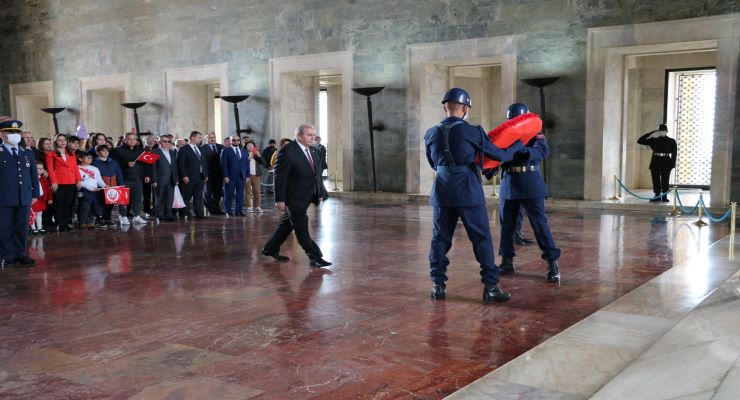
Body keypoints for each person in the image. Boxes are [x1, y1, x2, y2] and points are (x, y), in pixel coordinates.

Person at [425, 88, 523, 304]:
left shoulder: (430, 133)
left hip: (442, 192)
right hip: (468, 192)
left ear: (445, 107)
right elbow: (499, 155)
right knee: (481, 239)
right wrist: (517, 145)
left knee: (440, 239)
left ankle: (437, 286)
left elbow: (433, 163)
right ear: (465, 108)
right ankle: (490, 288)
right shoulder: (473, 131)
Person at [498, 102, 561, 283]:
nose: (513, 123)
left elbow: (541, 151)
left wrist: (518, 149)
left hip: (530, 183)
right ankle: (506, 261)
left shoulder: (535, 133)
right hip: (510, 182)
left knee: (540, 225)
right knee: (507, 226)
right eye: (511, 120)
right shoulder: (505, 135)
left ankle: (552, 263)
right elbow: (498, 153)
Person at [261, 124, 330, 268]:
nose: (313, 137)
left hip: (307, 195)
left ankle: (270, 248)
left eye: (314, 134)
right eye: (309, 135)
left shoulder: (313, 150)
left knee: (287, 224)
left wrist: (320, 193)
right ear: (299, 136)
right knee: (301, 227)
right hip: (293, 197)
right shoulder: (287, 151)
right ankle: (315, 257)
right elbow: (280, 177)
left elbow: (316, 174)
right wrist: (279, 199)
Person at [0, 119, 40, 268]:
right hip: (3, 198)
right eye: (10, 132)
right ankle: (6, 256)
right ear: (2, 134)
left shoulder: (27, 153)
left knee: (21, 228)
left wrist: (35, 194)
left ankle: (20, 254)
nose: (15, 135)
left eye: (17, 132)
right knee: (4, 229)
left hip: (24, 197)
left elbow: (33, 175)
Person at [110, 132, 151, 224]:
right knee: (123, 199)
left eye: (134, 139)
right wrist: (125, 164)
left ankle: (137, 215)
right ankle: (123, 216)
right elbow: (113, 165)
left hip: (138, 178)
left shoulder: (141, 150)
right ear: (125, 140)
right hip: (123, 178)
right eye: (129, 139)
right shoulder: (117, 150)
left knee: (138, 199)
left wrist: (147, 175)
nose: (132, 141)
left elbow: (146, 164)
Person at [46, 134, 82, 232]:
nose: (62, 142)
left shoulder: (71, 154)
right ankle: (59, 223)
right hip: (59, 182)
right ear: (55, 142)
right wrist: (54, 181)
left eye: (64, 140)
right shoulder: (51, 154)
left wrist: (78, 180)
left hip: (71, 181)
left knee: (68, 204)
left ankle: (66, 223)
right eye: (60, 140)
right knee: (59, 203)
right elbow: (50, 169)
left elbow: (75, 168)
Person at [637, 123, 677, 202]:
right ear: (658, 131)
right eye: (660, 131)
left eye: (664, 130)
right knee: (655, 180)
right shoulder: (653, 140)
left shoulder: (671, 141)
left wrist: (672, 165)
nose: (662, 132)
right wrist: (651, 133)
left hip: (666, 161)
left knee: (665, 180)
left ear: (667, 131)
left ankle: (664, 196)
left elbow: (674, 154)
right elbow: (640, 141)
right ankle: (657, 196)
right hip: (655, 161)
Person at [92, 144, 125, 226]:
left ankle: (108, 219)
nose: (106, 152)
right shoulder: (94, 163)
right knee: (100, 204)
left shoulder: (113, 162)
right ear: (98, 152)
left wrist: (121, 185)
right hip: (100, 187)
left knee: (110, 204)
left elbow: (119, 174)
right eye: (103, 151)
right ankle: (99, 220)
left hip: (113, 186)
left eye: (107, 150)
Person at [177, 131, 208, 219]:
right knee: (186, 197)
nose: (201, 139)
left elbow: (204, 163)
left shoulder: (200, 148)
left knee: (198, 197)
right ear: (192, 138)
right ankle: (185, 214)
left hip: (200, 177)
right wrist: (184, 176)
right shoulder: (184, 149)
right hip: (188, 177)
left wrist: (206, 174)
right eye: (199, 137)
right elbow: (181, 164)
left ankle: (199, 214)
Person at [151, 134, 179, 222]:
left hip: (171, 179)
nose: (167, 143)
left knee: (170, 198)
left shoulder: (172, 152)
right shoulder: (154, 152)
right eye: (165, 141)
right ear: (159, 142)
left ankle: (168, 214)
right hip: (159, 180)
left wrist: (176, 179)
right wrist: (154, 180)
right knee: (160, 198)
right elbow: (152, 168)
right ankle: (160, 215)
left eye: (169, 141)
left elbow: (175, 167)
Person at [76, 152, 107, 229]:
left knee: (93, 206)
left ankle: (90, 222)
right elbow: (79, 181)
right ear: (80, 159)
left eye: (91, 158)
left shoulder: (95, 168)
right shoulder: (77, 168)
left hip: (95, 190)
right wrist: (89, 188)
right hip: (84, 190)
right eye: (87, 157)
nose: (90, 159)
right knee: (85, 206)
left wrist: (104, 185)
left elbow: (99, 180)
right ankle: (82, 222)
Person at [221, 135, 249, 216]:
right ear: (230, 141)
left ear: (240, 141)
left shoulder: (244, 151)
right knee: (229, 195)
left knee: (240, 195)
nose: (236, 141)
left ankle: (238, 211)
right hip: (230, 177)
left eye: (238, 140)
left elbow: (247, 164)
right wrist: (225, 176)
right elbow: (224, 165)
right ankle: (228, 211)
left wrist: (247, 175)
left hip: (241, 176)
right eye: (233, 140)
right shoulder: (226, 151)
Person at [202, 131, 224, 215]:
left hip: (219, 175)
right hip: (208, 175)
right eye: (210, 137)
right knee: (207, 193)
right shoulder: (203, 148)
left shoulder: (221, 147)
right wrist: (204, 175)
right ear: (206, 138)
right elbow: (202, 163)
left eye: (213, 137)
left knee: (217, 193)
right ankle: (212, 209)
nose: (212, 139)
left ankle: (216, 209)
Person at [31, 160, 52, 235]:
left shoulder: (44, 179)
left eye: (42, 168)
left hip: (42, 199)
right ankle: (33, 228)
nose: (40, 170)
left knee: (39, 214)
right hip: (34, 199)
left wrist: (50, 198)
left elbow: (48, 189)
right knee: (33, 214)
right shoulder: (31, 179)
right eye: (38, 168)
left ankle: (39, 227)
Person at [244, 140, 265, 212]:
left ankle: (258, 206)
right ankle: (249, 207)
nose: (250, 147)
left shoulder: (257, 153)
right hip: (247, 175)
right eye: (248, 145)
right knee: (248, 191)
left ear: (254, 147)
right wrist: (249, 158)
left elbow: (264, 162)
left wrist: (259, 155)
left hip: (256, 174)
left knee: (257, 191)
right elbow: (242, 163)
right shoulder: (243, 153)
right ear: (246, 147)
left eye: (252, 145)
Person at [313, 135, 329, 200]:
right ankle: (322, 194)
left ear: (319, 140)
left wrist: (320, 167)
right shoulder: (314, 147)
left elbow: (322, 158)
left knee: (319, 180)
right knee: (318, 180)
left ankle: (323, 195)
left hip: (320, 166)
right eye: (315, 139)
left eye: (316, 139)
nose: (315, 141)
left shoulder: (322, 147)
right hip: (315, 166)